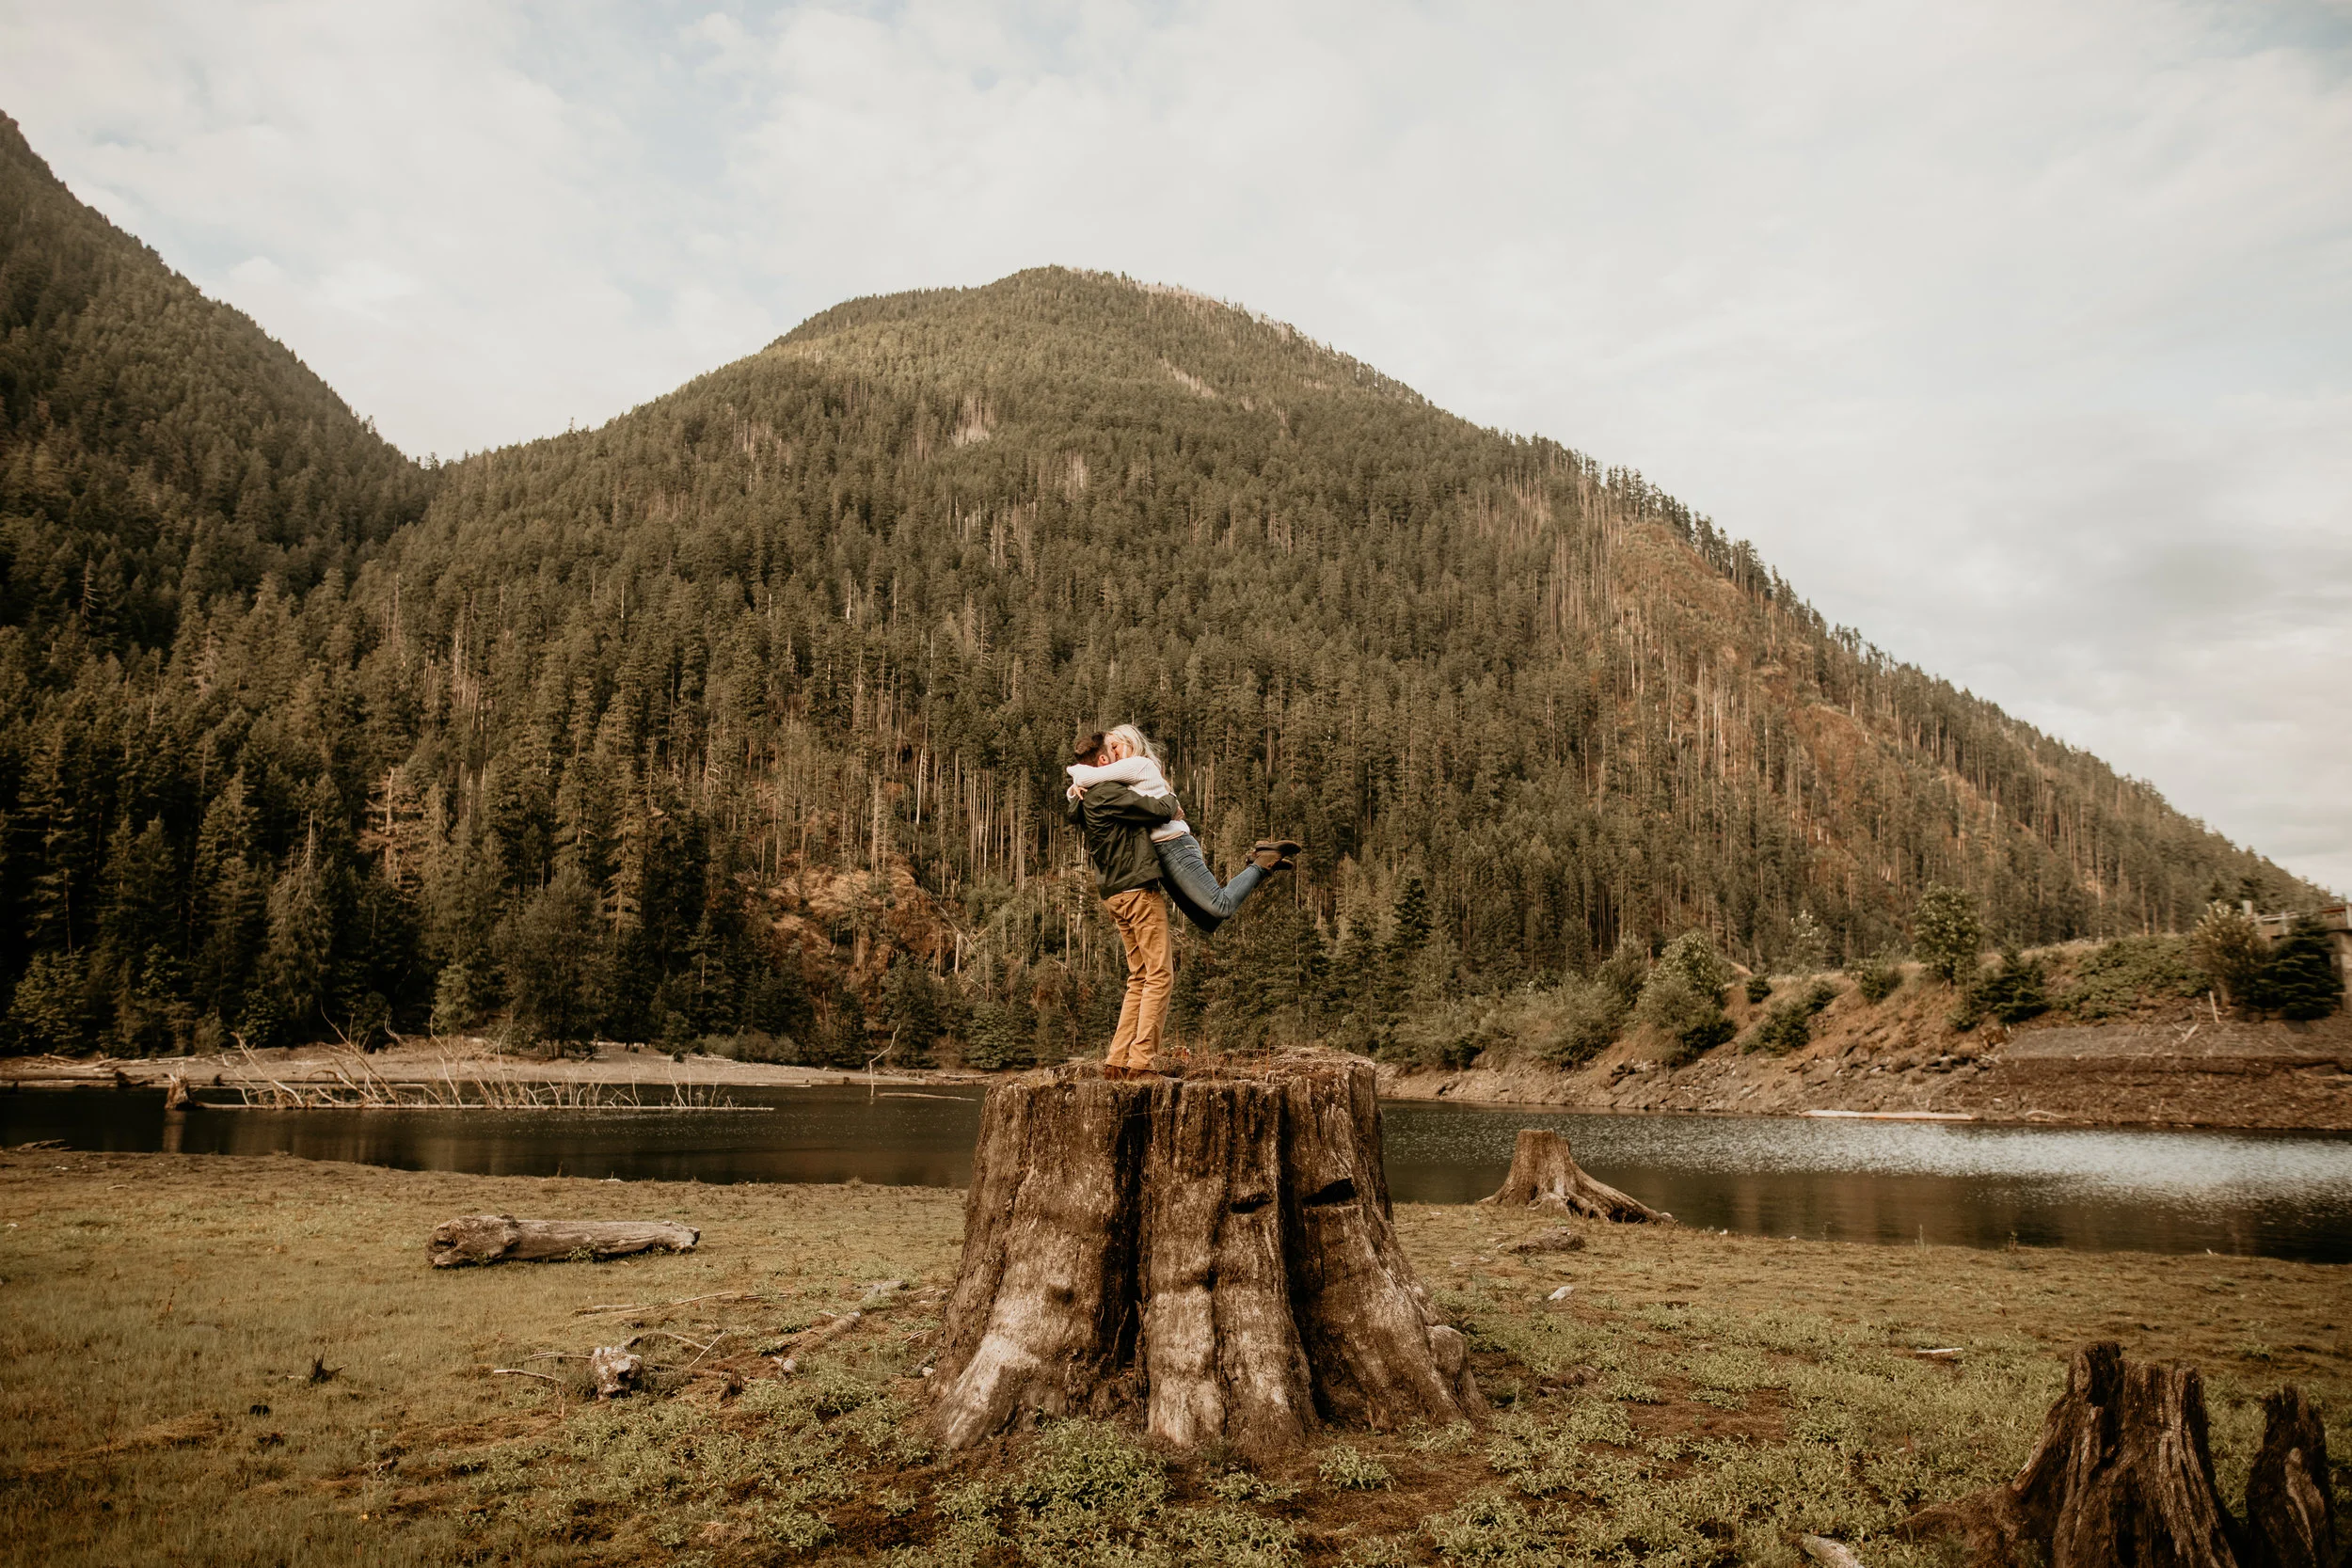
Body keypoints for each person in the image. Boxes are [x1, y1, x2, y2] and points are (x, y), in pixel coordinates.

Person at [1067, 724, 1299, 935]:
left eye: (1115, 746)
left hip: (1173, 845)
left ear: (1130, 743)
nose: (1112, 754)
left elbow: (1085, 773)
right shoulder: (1124, 775)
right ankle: (1265, 864)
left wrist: (1077, 782)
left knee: (1220, 907)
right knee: (1208, 920)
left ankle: (1263, 861)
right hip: (1160, 855)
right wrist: (1075, 789)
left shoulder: (1137, 764)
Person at [1063, 730, 1184, 1077]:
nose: (1120, 760)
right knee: (1160, 975)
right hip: (1137, 890)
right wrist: (1164, 786)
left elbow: (1074, 808)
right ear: (1103, 761)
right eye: (1114, 754)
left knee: (1139, 976)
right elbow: (1162, 809)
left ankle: (1117, 1060)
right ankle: (1143, 1062)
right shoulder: (1110, 792)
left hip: (1112, 894)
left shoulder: (1085, 798)